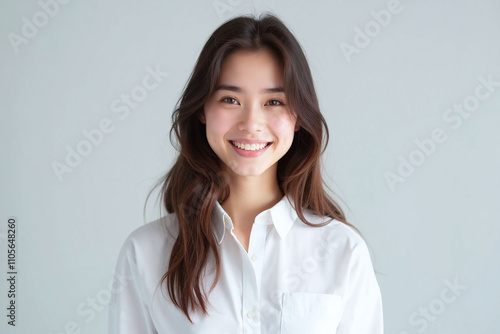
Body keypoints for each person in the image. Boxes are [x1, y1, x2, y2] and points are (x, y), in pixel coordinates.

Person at [108, 13, 383, 334]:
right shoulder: (146, 252)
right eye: (230, 99)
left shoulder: (343, 251)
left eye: (274, 101)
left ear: (298, 116)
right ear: (201, 110)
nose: (251, 123)